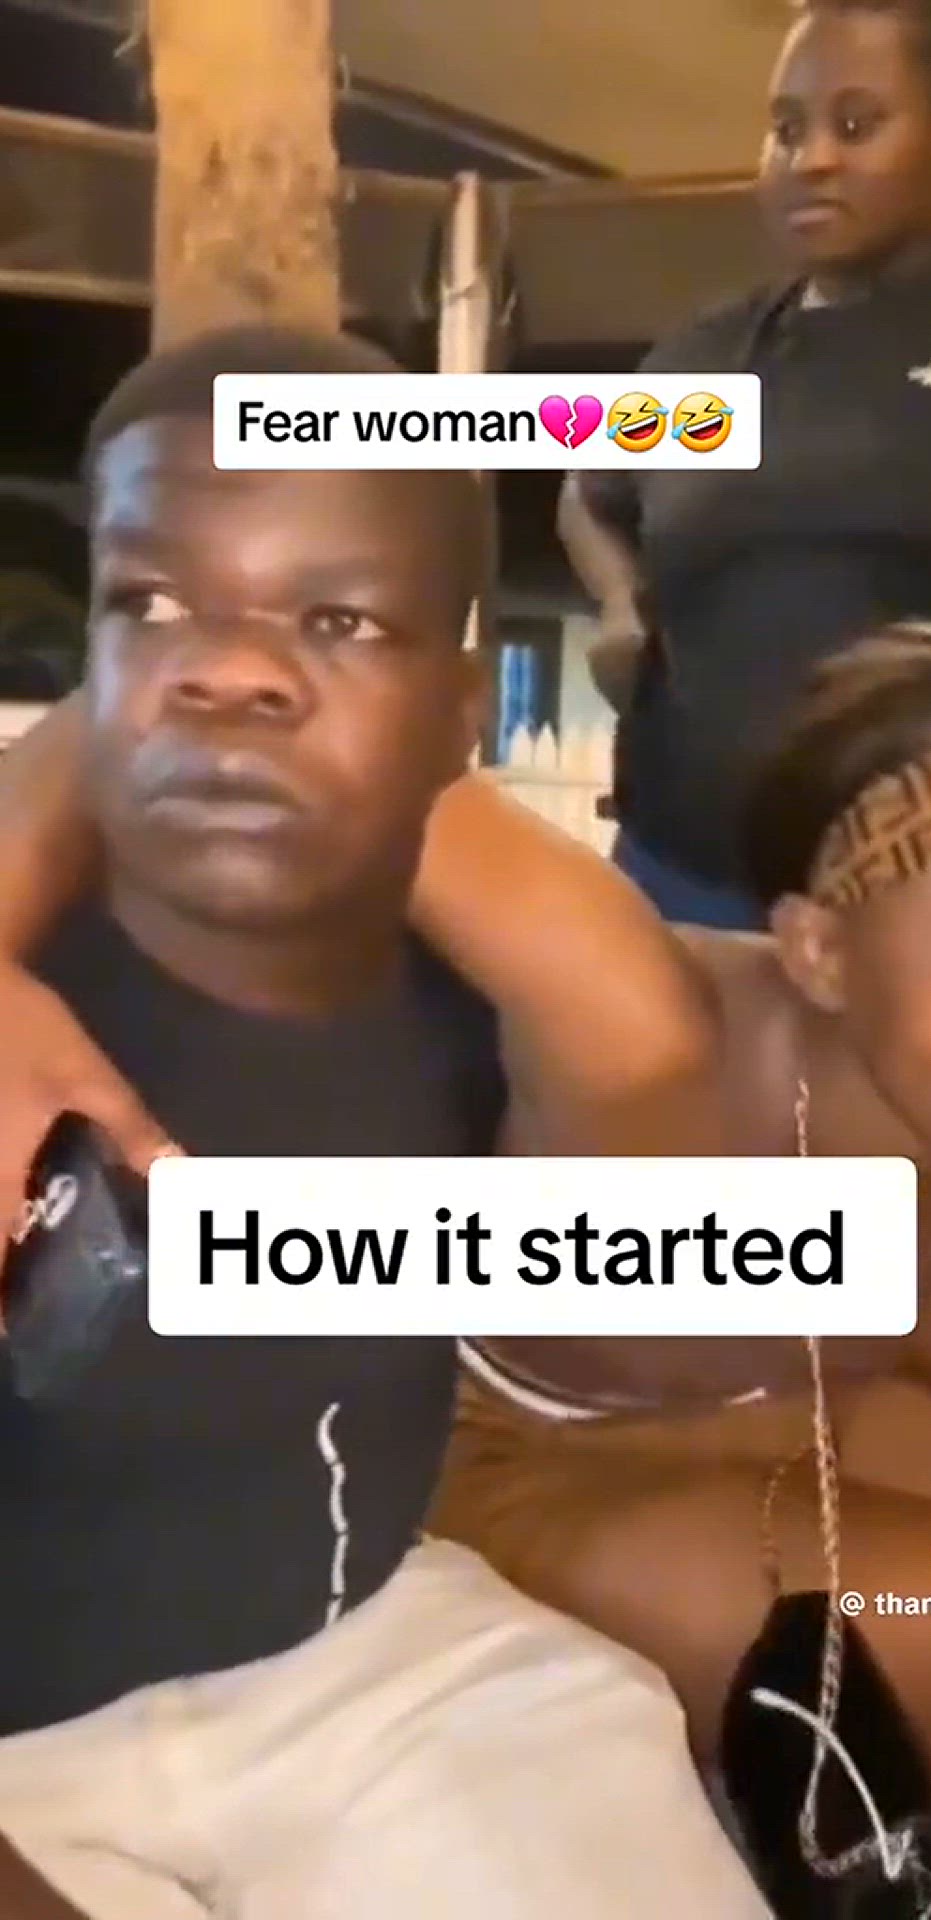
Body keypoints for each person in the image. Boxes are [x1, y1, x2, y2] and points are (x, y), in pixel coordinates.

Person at [0, 324, 774, 1920]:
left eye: (339, 618)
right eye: (152, 602)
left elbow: (656, 1324)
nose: (229, 671)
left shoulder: (520, 981)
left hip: (359, 1657)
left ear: (460, 702)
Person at [430, 623, 931, 1916]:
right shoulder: (631, 1024)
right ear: (821, 951)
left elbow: (876, 1286)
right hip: (525, 1475)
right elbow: (269, 726)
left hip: (800, 1418)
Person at [559, 0, 931, 927]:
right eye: (787, 130)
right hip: (680, 884)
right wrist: (619, 606)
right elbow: (587, 489)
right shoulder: (713, 363)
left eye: (857, 124)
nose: (813, 159)